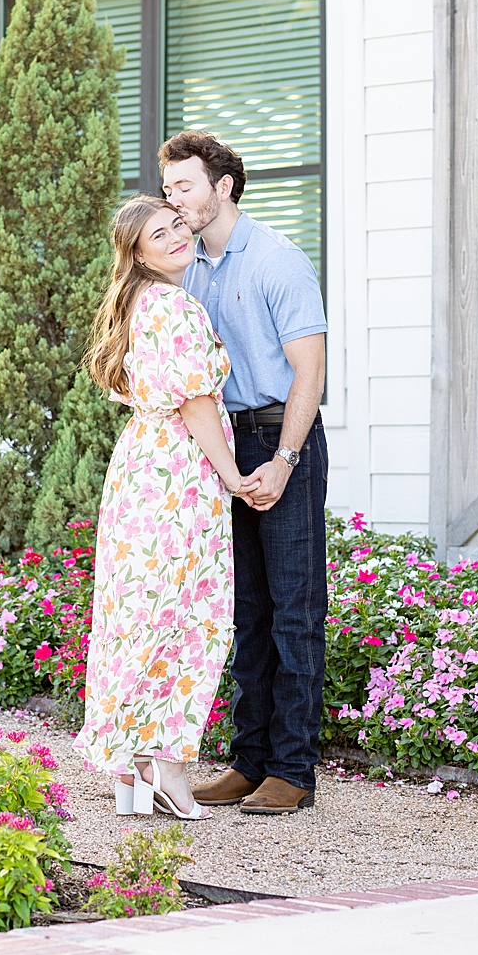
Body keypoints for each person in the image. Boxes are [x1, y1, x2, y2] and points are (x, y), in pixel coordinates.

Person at [160, 131, 330, 817]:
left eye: (185, 187)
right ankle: (249, 758)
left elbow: (309, 374)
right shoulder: (188, 268)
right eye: (168, 189)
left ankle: (292, 769)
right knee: (245, 611)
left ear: (222, 186)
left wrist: (284, 461)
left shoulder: (278, 261)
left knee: (295, 609)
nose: (173, 201)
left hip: (280, 436)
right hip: (224, 447)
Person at [74, 196, 244, 820]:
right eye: (158, 233)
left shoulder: (134, 304)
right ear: (137, 253)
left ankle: (132, 763)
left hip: (140, 471)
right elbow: (198, 404)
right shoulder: (174, 305)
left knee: (139, 613)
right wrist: (232, 476)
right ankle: (166, 763)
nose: (175, 236)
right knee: (193, 615)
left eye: (176, 224)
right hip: (181, 476)